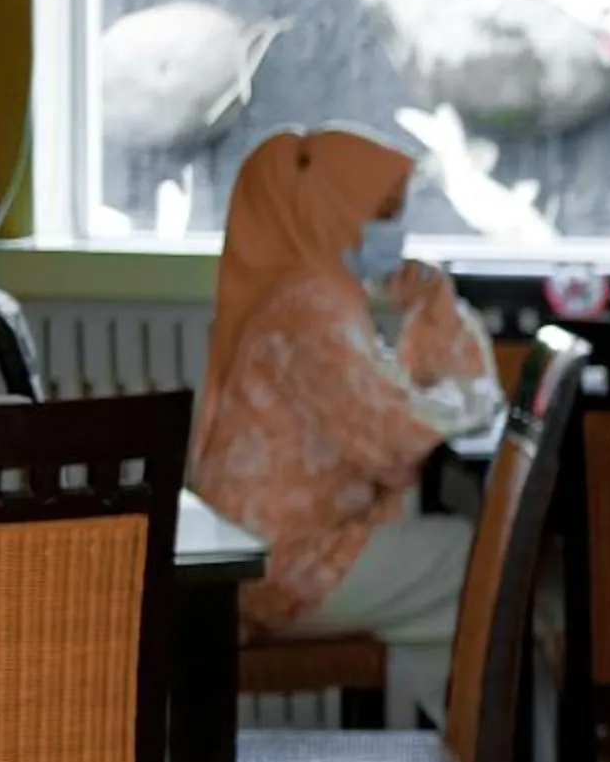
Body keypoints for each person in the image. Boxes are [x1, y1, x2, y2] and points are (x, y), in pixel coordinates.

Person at [189, 127, 504, 719]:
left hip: (263, 551)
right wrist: (463, 375)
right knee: (486, 564)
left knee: (453, 580)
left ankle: (464, 758)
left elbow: (385, 405)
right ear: (335, 210)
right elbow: (399, 436)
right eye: (382, 212)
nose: (396, 230)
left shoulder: (315, 294)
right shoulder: (312, 307)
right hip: (278, 564)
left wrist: (428, 310)